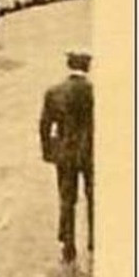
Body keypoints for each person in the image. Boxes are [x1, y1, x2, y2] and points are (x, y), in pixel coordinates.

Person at [40, 50, 94, 262]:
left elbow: (45, 125)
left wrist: (48, 151)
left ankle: (68, 243)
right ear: (87, 67)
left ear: (69, 66)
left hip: (66, 152)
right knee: (93, 197)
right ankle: (94, 239)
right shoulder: (96, 91)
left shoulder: (54, 91)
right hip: (91, 152)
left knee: (66, 198)